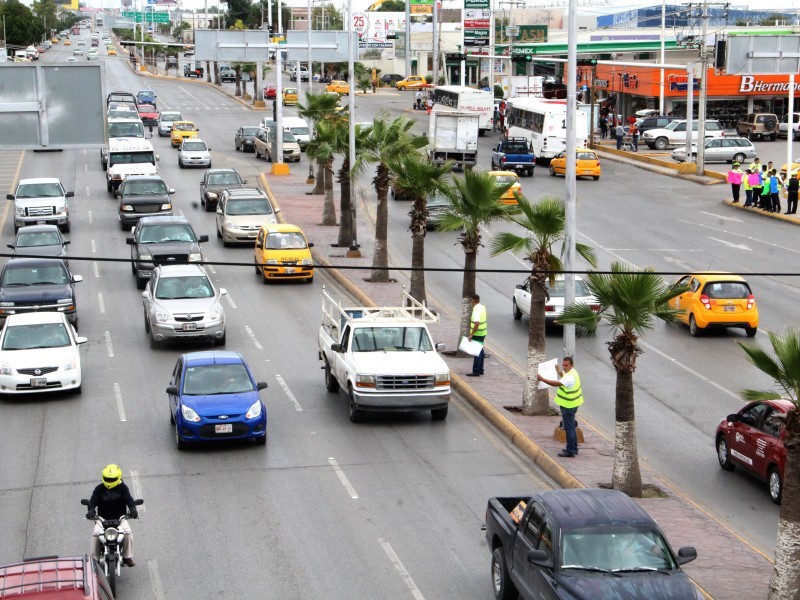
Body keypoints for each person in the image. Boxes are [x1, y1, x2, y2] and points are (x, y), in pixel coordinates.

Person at [85, 464, 138, 567]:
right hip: (102, 519)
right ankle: (94, 560)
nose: (109, 481)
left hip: (120, 518)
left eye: (112, 479)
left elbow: (129, 500)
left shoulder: (123, 488)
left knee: (127, 533)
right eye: (107, 479)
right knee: (96, 534)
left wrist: (133, 509)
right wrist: (91, 511)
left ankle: (127, 557)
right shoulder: (99, 489)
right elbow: (93, 502)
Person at [537, 357, 584, 458]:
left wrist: (542, 379)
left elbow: (556, 383)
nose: (564, 367)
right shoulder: (573, 373)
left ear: (571, 365)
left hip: (568, 406)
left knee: (569, 428)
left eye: (566, 365)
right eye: (563, 365)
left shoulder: (570, 377)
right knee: (571, 427)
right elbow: (564, 376)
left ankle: (570, 450)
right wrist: (559, 371)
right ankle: (574, 448)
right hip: (573, 403)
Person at [466, 294, 487, 377]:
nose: (471, 303)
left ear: (473, 301)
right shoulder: (482, 307)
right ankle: (481, 369)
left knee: (476, 352)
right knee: (480, 350)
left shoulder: (476, 310)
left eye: (471, 301)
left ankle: (476, 371)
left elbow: (477, 323)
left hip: (477, 334)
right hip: (483, 333)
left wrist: (471, 334)